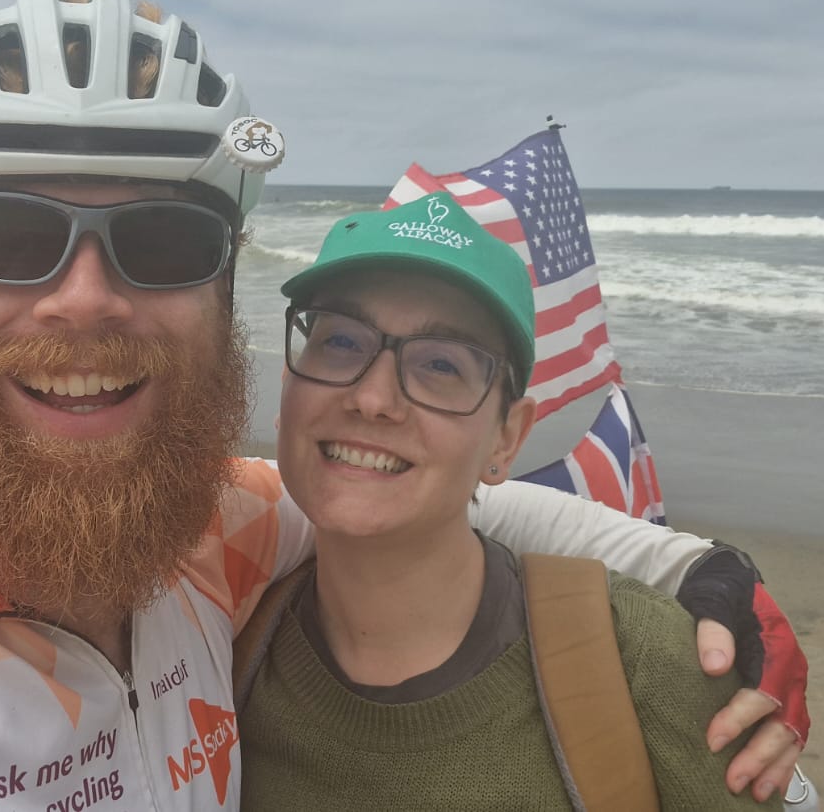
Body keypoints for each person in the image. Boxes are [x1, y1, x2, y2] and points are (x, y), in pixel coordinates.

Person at [0, 0, 801, 809]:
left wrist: (695, 572)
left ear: (223, 298)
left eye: (162, 246)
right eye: (6, 236)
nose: (86, 299)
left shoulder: (207, 539)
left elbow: (432, 500)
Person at [234, 194, 776, 809]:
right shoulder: (222, 644)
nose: (373, 398)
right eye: (340, 343)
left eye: (440, 363)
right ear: (289, 391)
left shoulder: (648, 664)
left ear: (507, 438)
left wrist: (707, 568)